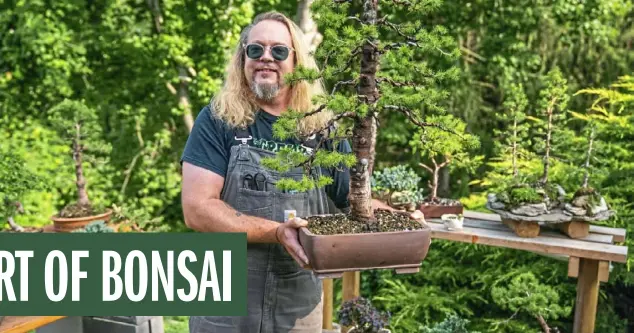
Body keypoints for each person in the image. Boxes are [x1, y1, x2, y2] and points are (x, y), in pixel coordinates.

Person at [180, 11, 420, 333]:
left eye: (279, 51)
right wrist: (277, 232)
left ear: (297, 62)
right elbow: (197, 209)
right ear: (243, 58)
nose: (266, 58)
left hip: (297, 305)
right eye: (255, 50)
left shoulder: (322, 128)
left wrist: (400, 221)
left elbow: (356, 204)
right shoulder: (218, 120)